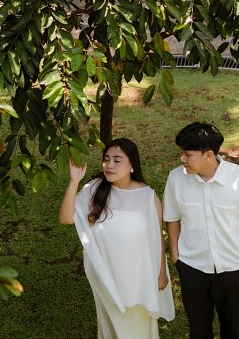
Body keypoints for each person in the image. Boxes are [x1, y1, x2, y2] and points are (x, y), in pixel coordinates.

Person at [59, 137, 175, 339]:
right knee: (112, 330)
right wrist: (74, 181)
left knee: (137, 329)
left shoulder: (147, 196)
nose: (109, 165)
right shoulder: (94, 189)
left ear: (132, 165)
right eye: (106, 159)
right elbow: (66, 218)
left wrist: (161, 273)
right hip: (106, 276)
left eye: (117, 160)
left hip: (138, 278)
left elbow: (157, 238)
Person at [162, 121, 239, 339]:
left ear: (208, 155)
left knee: (232, 330)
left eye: (188, 155)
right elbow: (172, 218)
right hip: (192, 268)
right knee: (198, 331)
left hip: (234, 270)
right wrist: (176, 255)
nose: (182, 159)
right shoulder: (176, 179)